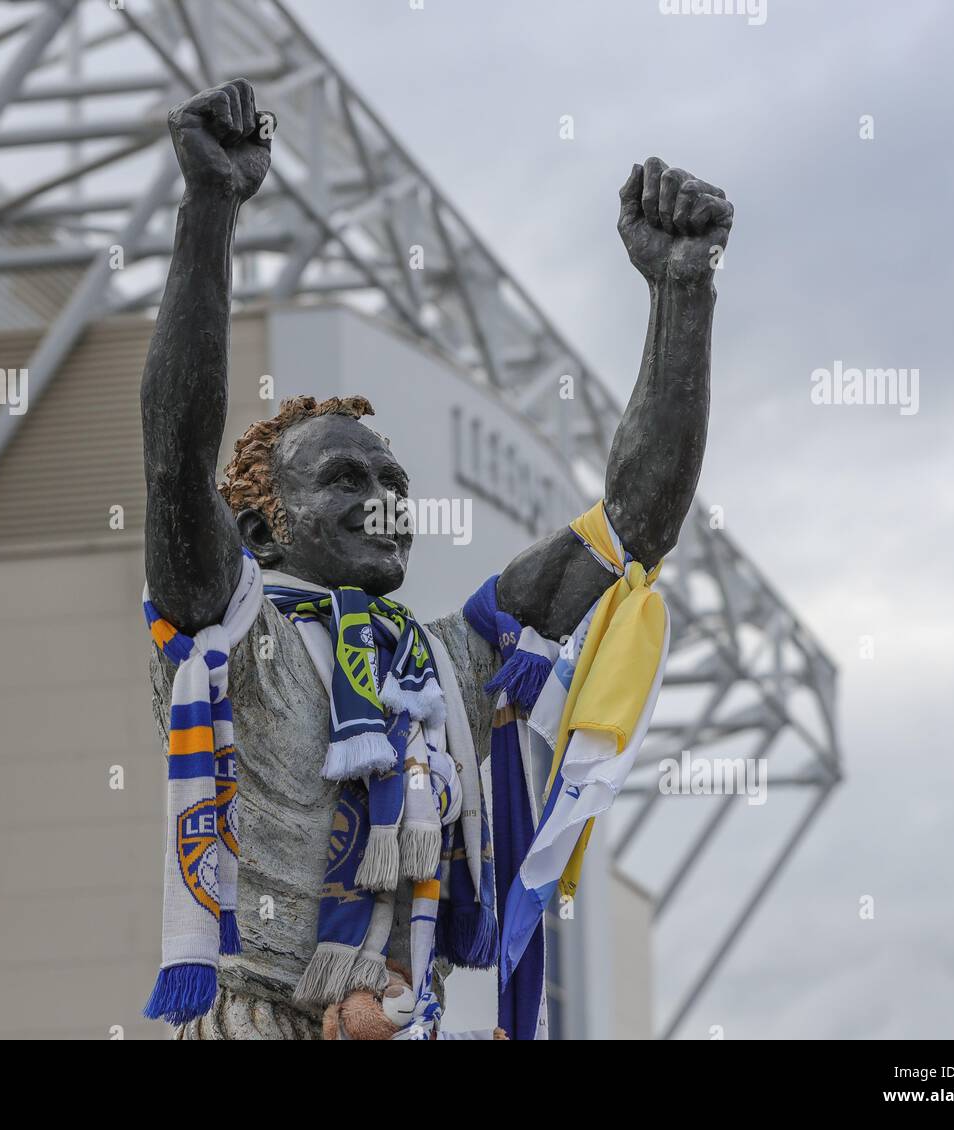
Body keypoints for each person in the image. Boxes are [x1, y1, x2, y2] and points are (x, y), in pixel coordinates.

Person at [141, 79, 732, 1039]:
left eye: (395, 479)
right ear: (261, 532)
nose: (383, 498)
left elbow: (637, 519)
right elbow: (174, 456)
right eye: (341, 479)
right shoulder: (226, 629)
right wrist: (209, 209)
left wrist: (683, 293)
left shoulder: (449, 661)